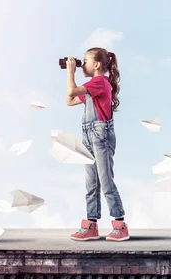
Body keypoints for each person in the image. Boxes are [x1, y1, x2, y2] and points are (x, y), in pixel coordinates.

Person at [65, 47, 129, 242]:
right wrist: (73, 74)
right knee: (91, 183)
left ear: (97, 65)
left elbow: (72, 90)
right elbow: (69, 101)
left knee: (106, 180)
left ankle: (120, 225)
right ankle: (91, 225)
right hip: (89, 136)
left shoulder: (100, 82)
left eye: (85, 61)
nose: (82, 64)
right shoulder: (92, 87)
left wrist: (70, 73)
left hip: (100, 136)